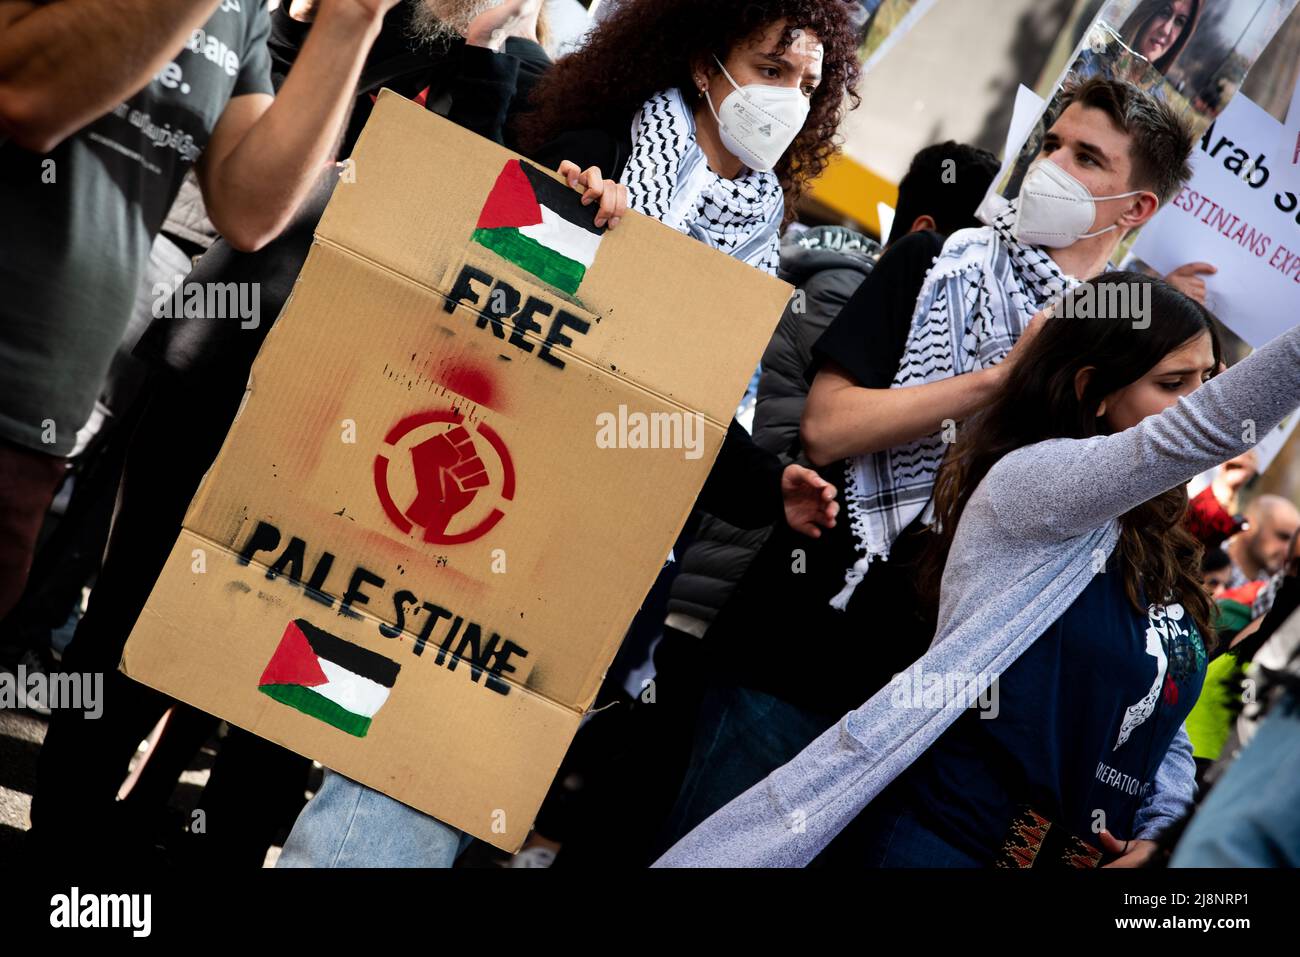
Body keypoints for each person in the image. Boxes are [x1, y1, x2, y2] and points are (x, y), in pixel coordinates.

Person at [275, 0, 863, 867]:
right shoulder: (597, 135)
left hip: (600, 559)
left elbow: (685, 411)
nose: (789, 100)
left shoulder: (753, 230)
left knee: (471, 784)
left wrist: (764, 483)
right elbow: (497, 283)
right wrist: (576, 206)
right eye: (772, 71)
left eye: (809, 86)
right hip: (481, 500)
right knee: (406, 761)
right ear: (705, 63)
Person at [29, 0, 555, 865]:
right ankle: (63, 849)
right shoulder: (350, 24)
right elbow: (274, 152)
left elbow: (475, 209)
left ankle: (151, 827)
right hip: (226, 352)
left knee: (258, 654)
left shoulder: (519, 75)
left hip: (351, 412)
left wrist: (488, 51)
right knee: (131, 614)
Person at [658, 77, 1195, 846]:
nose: (1051, 167)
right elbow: (828, 427)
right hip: (801, 644)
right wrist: (1000, 379)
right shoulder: (935, 261)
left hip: (930, 703)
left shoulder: (1113, 345)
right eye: (1050, 144)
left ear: (1136, 209)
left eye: (1087, 158)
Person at [656, 277, 1300, 868]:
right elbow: (1204, 430)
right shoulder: (1033, 481)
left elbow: (1157, 711)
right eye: (1173, 385)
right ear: (1092, 392)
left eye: (1208, 380)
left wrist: (1160, 831)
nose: (1194, 402)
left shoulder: (1157, 543)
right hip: (937, 844)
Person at [0, 0, 411, 622]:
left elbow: (248, 210)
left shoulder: (239, 8)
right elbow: (29, 98)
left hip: (43, 406)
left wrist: (354, 19)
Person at [656, 142, 1000, 851]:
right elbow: (818, 431)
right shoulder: (869, 286)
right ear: (933, 234)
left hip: (832, 650)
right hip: (779, 619)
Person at [1223, 495, 1300, 590]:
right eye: (1282, 537)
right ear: (1251, 526)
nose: (1288, 549)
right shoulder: (1205, 557)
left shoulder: (1268, 591)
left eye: (1292, 542)